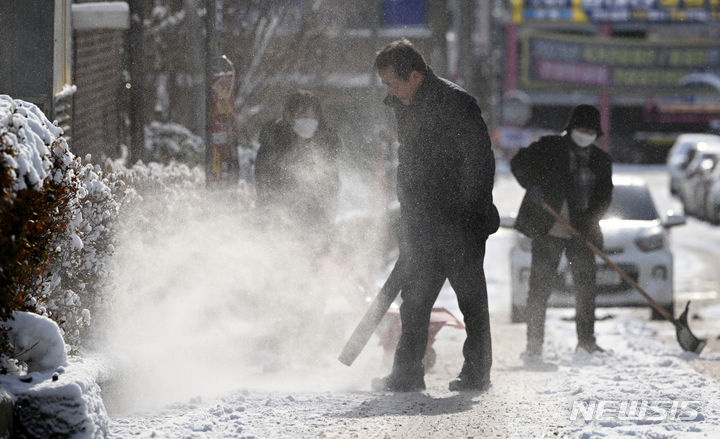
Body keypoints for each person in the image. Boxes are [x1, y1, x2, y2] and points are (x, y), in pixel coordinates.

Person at [371, 39, 499, 392]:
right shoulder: (404, 105)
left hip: (462, 224)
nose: (391, 92)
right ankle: (406, 374)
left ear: (414, 76)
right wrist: (408, 217)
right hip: (422, 223)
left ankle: (476, 373)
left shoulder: (457, 103)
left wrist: (470, 216)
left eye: (393, 84)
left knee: (471, 301)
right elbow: (408, 164)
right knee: (415, 302)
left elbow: (480, 162)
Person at [510, 104, 613, 364]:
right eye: (581, 128)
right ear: (571, 128)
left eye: (591, 130)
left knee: (585, 290)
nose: (585, 134)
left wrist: (588, 224)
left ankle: (586, 343)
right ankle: (534, 346)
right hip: (548, 229)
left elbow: (603, 199)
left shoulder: (601, 161)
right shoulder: (549, 148)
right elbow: (518, 163)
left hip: (583, 233)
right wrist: (532, 186)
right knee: (539, 289)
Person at [254, 89, 341, 248]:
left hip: (317, 230)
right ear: (289, 116)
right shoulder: (273, 144)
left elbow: (331, 188)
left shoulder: (325, 146)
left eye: (313, 117)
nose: (309, 121)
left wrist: (324, 225)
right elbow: (264, 186)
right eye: (302, 116)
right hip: (280, 230)